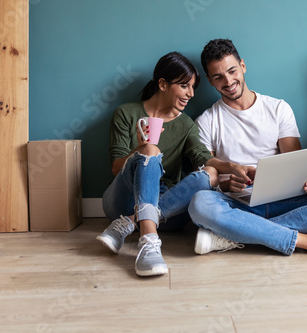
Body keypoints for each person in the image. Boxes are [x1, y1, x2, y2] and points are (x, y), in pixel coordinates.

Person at [188, 39, 307, 261]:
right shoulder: (206, 121)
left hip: (287, 203)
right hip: (237, 205)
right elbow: (205, 179)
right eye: (218, 77)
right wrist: (225, 183)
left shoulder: (278, 108)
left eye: (232, 71)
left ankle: (234, 237)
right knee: (199, 203)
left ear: (243, 66)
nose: (229, 81)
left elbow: (295, 165)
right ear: (211, 82)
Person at [97, 51, 252, 277]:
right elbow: (115, 168)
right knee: (151, 149)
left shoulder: (186, 125)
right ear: (162, 84)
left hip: (168, 210)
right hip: (123, 199)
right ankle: (149, 241)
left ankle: (131, 224)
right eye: (184, 86)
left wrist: (233, 167)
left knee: (211, 173)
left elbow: (203, 158)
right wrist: (140, 149)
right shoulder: (127, 114)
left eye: (192, 87)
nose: (190, 94)